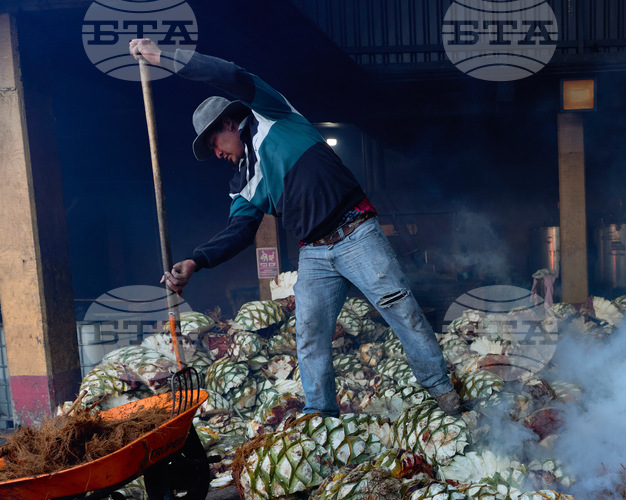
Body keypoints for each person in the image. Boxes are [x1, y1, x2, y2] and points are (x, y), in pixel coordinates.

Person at [128, 39, 463, 417]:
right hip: (315, 253)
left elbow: (229, 75)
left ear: (228, 123)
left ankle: (443, 394)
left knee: (401, 310)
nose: (217, 153)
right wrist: (196, 261)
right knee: (309, 335)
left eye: (214, 142)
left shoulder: (271, 113)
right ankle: (321, 413)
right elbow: (238, 230)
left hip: (356, 231)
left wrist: (165, 59)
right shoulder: (242, 182)